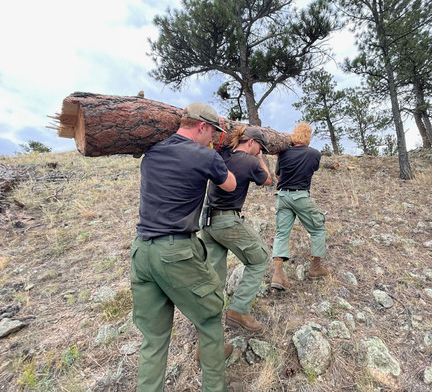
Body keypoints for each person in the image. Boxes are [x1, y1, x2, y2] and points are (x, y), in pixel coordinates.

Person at [130, 102, 237, 392]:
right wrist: (221, 157)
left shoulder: (152, 152)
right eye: (213, 132)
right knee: (211, 316)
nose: (214, 139)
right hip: (176, 252)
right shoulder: (205, 155)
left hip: (141, 251)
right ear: (202, 126)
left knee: (153, 339)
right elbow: (230, 184)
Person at [200, 126, 272, 335]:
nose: (260, 150)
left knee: (215, 276)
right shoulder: (249, 161)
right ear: (250, 142)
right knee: (260, 258)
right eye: (260, 146)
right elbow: (267, 180)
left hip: (207, 222)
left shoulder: (221, 155)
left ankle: (209, 325)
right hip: (227, 221)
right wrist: (260, 158)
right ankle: (238, 310)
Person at [271, 122, 330, 290]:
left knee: (282, 233)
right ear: (308, 137)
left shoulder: (283, 154)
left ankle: (277, 275)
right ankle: (315, 268)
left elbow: (277, 176)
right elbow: (312, 169)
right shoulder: (314, 154)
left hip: (282, 196)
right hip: (301, 195)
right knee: (318, 228)